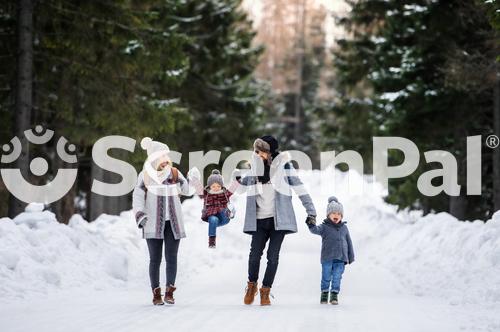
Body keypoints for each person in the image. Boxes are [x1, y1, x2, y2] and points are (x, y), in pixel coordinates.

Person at [238, 135, 317, 306]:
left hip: (278, 221)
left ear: (270, 152)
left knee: (272, 256)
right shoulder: (254, 168)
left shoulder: (284, 166)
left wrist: (311, 211)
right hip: (259, 219)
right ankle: (251, 286)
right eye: (255, 150)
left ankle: (265, 290)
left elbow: (300, 188)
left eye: (261, 151)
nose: (257, 153)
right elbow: (240, 188)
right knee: (254, 256)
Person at [132, 137, 189, 305]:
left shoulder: (174, 173)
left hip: (173, 222)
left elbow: (187, 190)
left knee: (172, 258)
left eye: (166, 156)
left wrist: (190, 179)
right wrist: (140, 215)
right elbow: (137, 197)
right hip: (152, 223)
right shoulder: (145, 176)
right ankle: (156, 294)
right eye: (161, 156)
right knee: (155, 259)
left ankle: (169, 292)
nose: (165, 159)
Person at [306, 196, 355, 305]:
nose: (336, 216)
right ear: (328, 215)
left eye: (339, 214)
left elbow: (349, 242)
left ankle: (334, 295)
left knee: (337, 277)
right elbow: (315, 230)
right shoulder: (324, 227)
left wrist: (350, 257)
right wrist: (310, 223)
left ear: (341, 216)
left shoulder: (344, 228)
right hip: (327, 257)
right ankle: (324, 294)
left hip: (341, 258)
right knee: (326, 276)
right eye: (334, 213)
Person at [188, 168, 238, 248]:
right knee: (213, 219)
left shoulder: (225, 193)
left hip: (224, 217)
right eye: (213, 186)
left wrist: (237, 180)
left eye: (218, 186)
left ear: (221, 186)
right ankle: (212, 241)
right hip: (212, 217)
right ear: (210, 186)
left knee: (224, 208)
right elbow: (199, 188)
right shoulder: (206, 194)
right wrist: (195, 179)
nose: (216, 188)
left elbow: (232, 188)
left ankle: (231, 212)